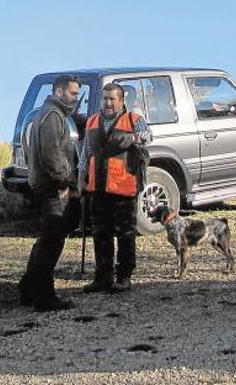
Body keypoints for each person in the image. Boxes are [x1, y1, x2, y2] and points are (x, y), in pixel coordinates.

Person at [78, 83, 152, 293]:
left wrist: (133, 138)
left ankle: (124, 277)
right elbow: (85, 154)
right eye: (105, 99)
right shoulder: (92, 121)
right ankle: (103, 277)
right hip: (98, 188)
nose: (108, 103)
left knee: (125, 234)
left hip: (124, 189)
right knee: (100, 234)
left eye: (112, 99)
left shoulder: (133, 119)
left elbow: (147, 136)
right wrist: (81, 178)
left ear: (122, 100)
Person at [18, 74, 82, 312]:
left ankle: (28, 288)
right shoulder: (53, 116)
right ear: (58, 92)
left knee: (46, 240)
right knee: (51, 242)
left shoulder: (47, 114)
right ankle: (44, 296)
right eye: (73, 93)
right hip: (52, 187)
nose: (76, 98)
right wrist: (65, 183)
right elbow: (52, 154)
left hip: (45, 184)